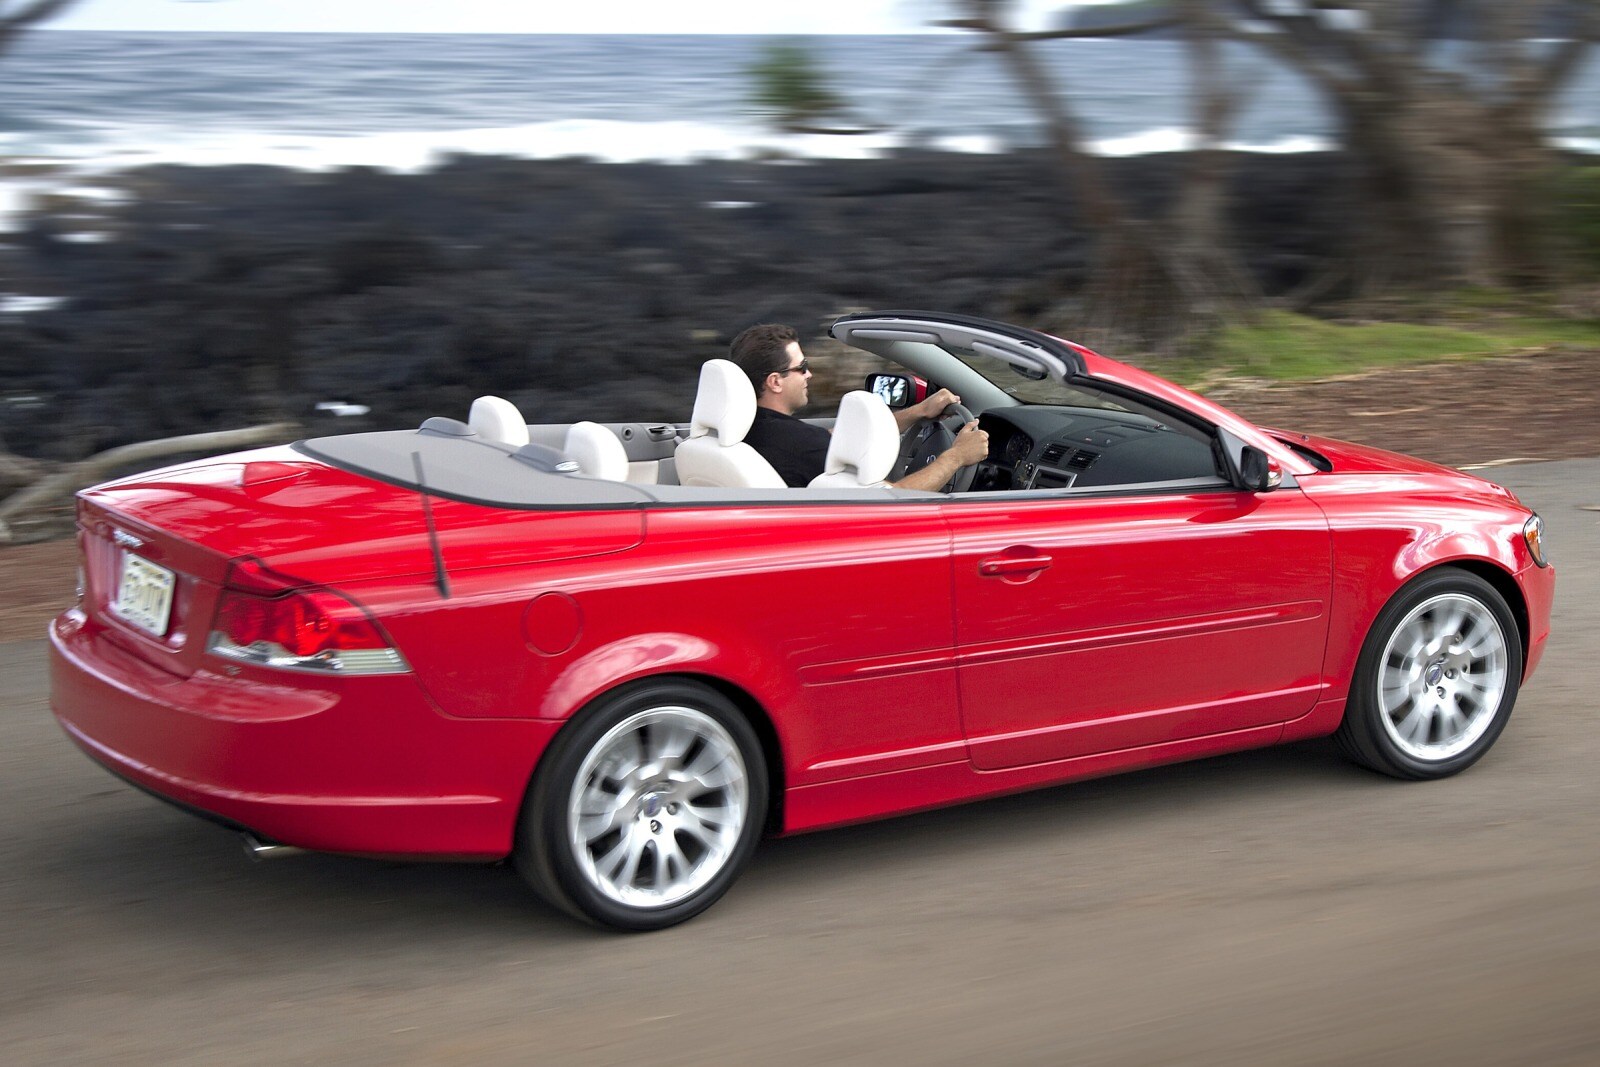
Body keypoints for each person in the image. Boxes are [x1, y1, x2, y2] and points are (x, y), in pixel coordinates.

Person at [729, 323, 989, 491]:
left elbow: (836, 439)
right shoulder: (800, 446)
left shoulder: (747, 429)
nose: (809, 375)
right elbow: (894, 501)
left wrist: (918, 412)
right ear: (775, 382)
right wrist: (956, 457)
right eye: (802, 367)